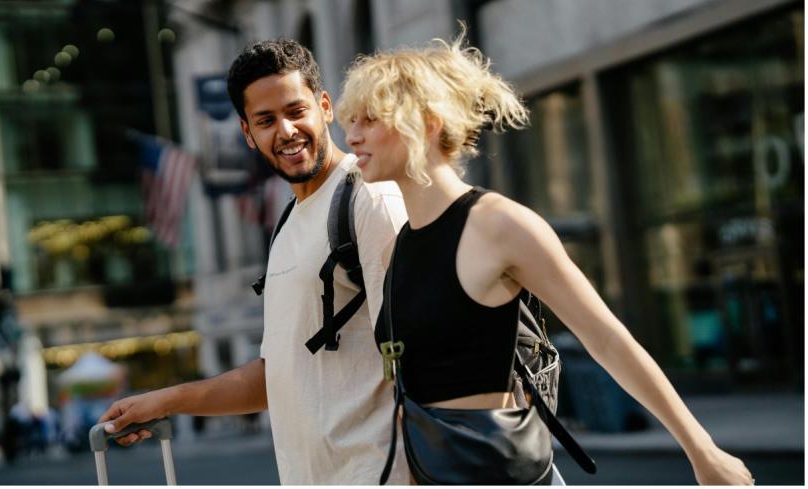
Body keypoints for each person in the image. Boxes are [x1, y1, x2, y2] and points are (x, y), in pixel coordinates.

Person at [336, 28, 756, 486]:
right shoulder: (401, 245)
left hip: (502, 473)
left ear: (428, 122)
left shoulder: (500, 225)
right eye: (350, 120)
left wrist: (701, 449)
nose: (352, 135)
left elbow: (608, 339)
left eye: (370, 119)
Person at [99, 39, 410, 484]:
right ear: (247, 133)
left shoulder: (370, 199)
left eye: (295, 110)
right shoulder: (288, 222)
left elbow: (421, 349)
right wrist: (165, 400)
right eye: (266, 120)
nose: (285, 131)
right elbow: (278, 376)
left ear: (325, 107)